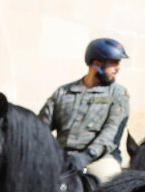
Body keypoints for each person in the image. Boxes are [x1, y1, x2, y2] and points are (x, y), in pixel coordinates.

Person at [40, 38, 132, 183]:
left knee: (109, 185)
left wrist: (86, 156)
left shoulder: (119, 94)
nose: (118, 68)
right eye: (114, 62)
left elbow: (111, 133)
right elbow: (41, 127)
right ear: (96, 64)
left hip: (99, 159)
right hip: (61, 156)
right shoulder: (63, 92)